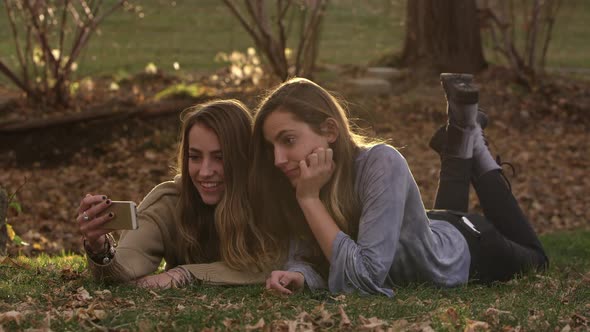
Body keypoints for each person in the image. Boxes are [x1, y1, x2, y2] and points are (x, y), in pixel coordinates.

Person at [249, 76, 548, 296]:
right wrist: (299, 276)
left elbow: (364, 280)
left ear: (329, 131)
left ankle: (477, 148)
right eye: (271, 146)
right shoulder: (301, 179)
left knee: (538, 259)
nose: (277, 159)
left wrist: (310, 200)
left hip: (472, 245)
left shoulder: (381, 162)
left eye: (288, 140)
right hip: (428, 230)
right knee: (426, 242)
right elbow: (311, 258)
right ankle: (459, 140)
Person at [76, 99, 273, 288]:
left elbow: (274, 261)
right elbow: (125, 265)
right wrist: (100, 248)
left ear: (244, 157)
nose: (204, 171)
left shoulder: (266, 200)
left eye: (219, 158)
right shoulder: (168, 202)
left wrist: (183, 275)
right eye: (194, 157)